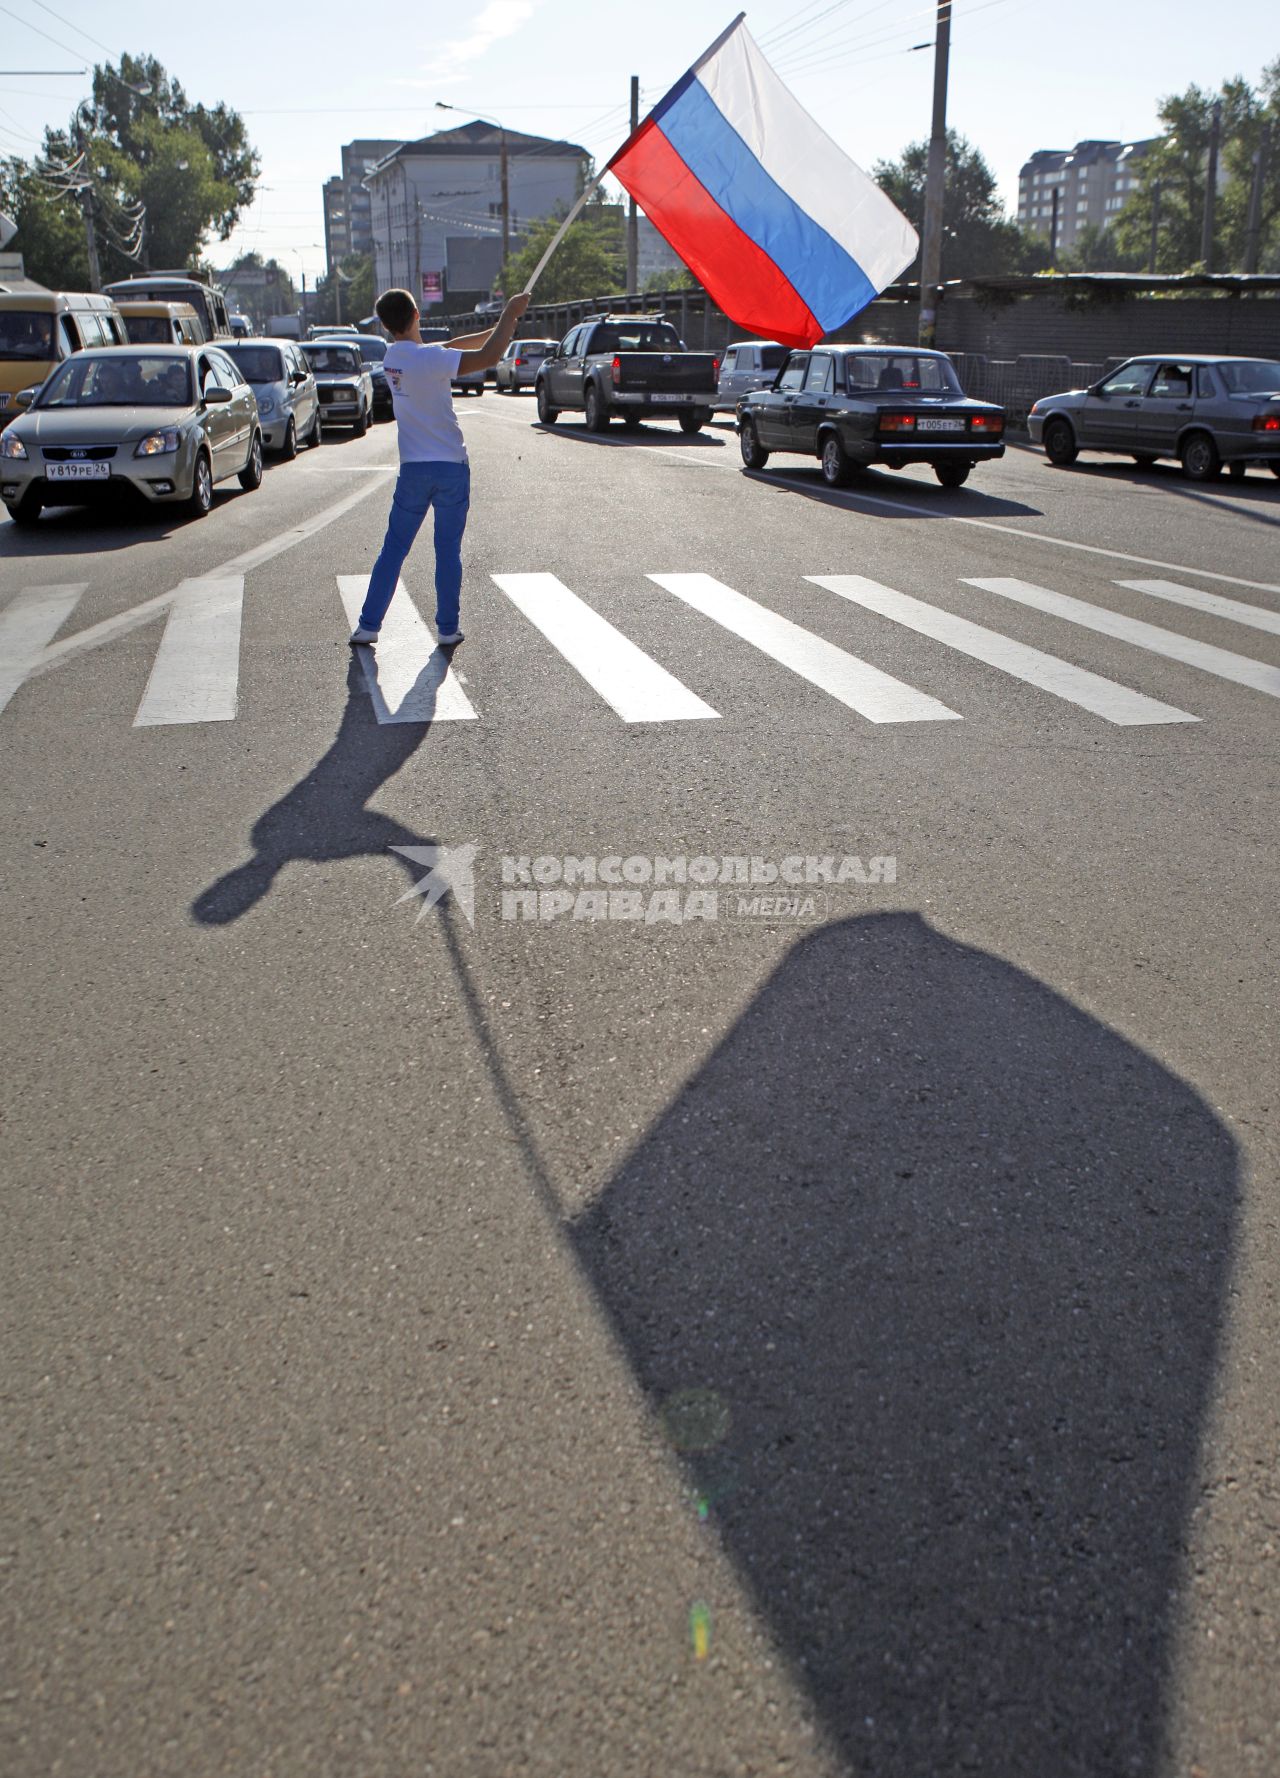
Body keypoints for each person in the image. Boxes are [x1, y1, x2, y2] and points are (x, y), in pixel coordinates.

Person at [349, 287, 531, 649]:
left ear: (386, 326)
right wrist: (510, 315)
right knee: (447, 550)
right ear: (417, 314)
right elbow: (489, 356)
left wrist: (497, 325)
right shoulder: (430, 359)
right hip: (450, 468)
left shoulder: (393, 358)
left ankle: (369, 625)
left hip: (413, 472)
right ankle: (447, 629)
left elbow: (452, 344)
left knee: (393, 550)